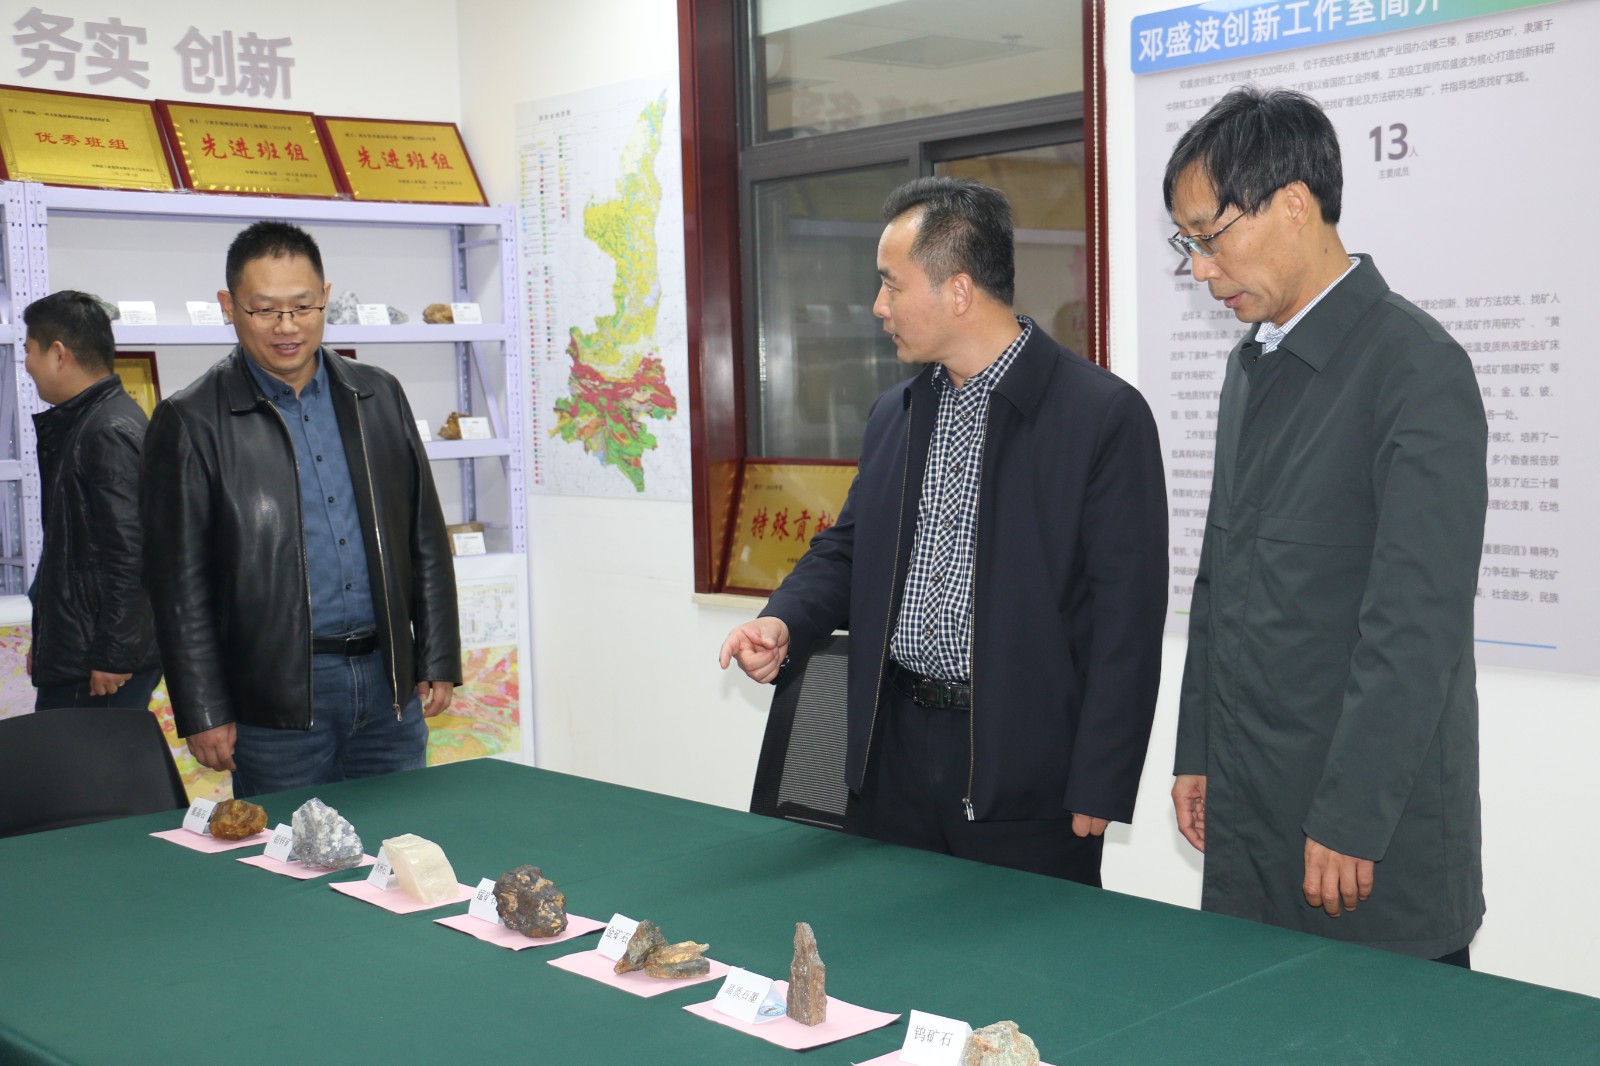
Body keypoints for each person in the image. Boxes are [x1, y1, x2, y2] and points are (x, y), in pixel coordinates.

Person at [720, 177, 1168, 886]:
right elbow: (848, 549)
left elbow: (1128, 616)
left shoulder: (1100, 416)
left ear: (959, 291)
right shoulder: (895, 413)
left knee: (1020, 953)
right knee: (885, 941)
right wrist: (784, 620)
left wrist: (1101, 780)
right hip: (891, 753)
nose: (879, 306)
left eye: (892, 285)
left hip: (1025, 771)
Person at [1165, 87, 1486, 965]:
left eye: (1210, 236)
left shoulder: (1415, 367)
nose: (1201, 270)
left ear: (1294, 205)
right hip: (1250, 804)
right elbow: (1219, 578)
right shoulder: (1250, 365)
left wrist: (1351, 816)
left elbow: (1415, 627)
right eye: (1187, 244)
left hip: (1361, 837)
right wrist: (1198, 750)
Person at [141, 221, 461, 797]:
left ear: (325, 298)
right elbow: (177, 584)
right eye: (265, 310)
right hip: (275, 701)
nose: (287, 327)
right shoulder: (191, 420)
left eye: (302, 306)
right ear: (229, 307)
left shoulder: (377, 395)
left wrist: (437, 655)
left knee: (401, 841)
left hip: (388, 684)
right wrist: (203, 708)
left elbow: (425, 537)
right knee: (290, 850)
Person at [22, 291, 162, 711]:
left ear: (58, 354)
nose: (26, 363)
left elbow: (134, 554)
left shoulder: (107, 430)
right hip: (84, 652)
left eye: (28, 350)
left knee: (84, 756)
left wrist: (114, 654)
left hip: (100, 665)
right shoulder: (89, 422)